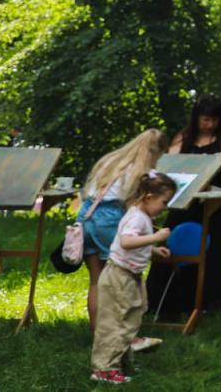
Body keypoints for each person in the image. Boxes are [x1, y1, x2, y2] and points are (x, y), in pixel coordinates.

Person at [146, 94, 221, 313]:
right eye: (205, 120)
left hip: (214, 202)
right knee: (173, 242)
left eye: (214, 120)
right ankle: (162, 302)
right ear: (196, 117)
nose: (209, 125)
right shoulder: (184, 137)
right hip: (184, 199)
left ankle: (208, 304)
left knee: (213, 250)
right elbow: (169, 165)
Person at [78, 129, 169, 333]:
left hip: (87, 217)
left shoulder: (111, 160)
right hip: (110, 219)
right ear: (158, 152)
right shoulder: (140, 171)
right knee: (120, 278)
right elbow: (134, 213)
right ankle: (118, 332)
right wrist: (151, 244)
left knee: (96, 281)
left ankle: (97, 333)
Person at [90, 170, 176, 384]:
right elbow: (127, 241)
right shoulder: (137, 217)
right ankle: (104, 369)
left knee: (129, 320)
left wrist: (153, 251)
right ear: (149, 197)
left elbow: (129, 244)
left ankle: (120, 363)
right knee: (116, 323)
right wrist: (155, 238)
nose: (165, 208)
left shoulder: (141, 215)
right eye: (164, 202)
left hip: (129, 276)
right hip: (119, 276)